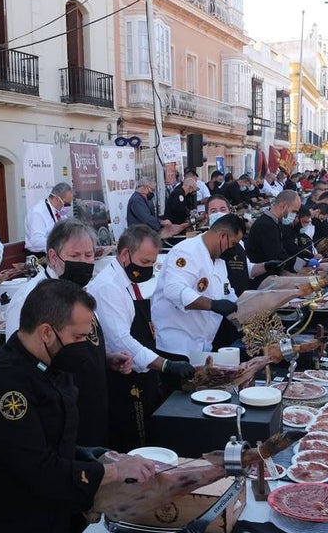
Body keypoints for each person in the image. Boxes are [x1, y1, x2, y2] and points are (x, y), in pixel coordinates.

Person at [0, 280, 157, 533]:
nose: (85, 346)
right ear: (47, 332)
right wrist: (114, 472)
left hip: (47, 530)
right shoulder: (5, 383)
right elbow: (38, 468)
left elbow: (57, 440)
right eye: (78, 337)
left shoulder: (52, 363)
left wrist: (102, 456)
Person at [2, 219, 127, 447]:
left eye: (89, 255)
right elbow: (21, 364)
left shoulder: (78, 290)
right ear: (52, 257)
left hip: (93, 405)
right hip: (60, 413)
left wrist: (104, 359)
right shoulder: (30, 299)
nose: (84, 262)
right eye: (75, 256)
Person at [87, 225, 194, 451]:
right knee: (133, 442)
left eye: (152, 264)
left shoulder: (126, 279)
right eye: (144, 262)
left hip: (143, 373)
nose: (148, 269)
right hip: (124, 378)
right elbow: (121, 341)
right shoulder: (108, 287)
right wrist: (165, 364)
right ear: (125, 254)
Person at [151, 214, 245, 363]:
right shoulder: (186, 251)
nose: (233, 250)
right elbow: (174, 290)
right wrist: (212, 305)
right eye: (233, 244)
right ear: (222, 236)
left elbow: (227, 292)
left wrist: (245, 309)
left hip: (202, 345)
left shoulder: (219, 262)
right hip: (177, 345)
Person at [245, 190, 301, 277]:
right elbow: (278, 256)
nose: (294, 216)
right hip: (262, 278)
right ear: (283, 207)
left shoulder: (274, 223)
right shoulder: (266, 225)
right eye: (293, 211)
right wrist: (303, 264)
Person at [24, 182, 73, 258]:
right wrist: (59, 243)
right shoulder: (37, 213)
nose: (68, 207)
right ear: (57, 199)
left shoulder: (60, 212)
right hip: (39, 257)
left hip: (56, 253)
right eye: (66, 204)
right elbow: (36, 241)